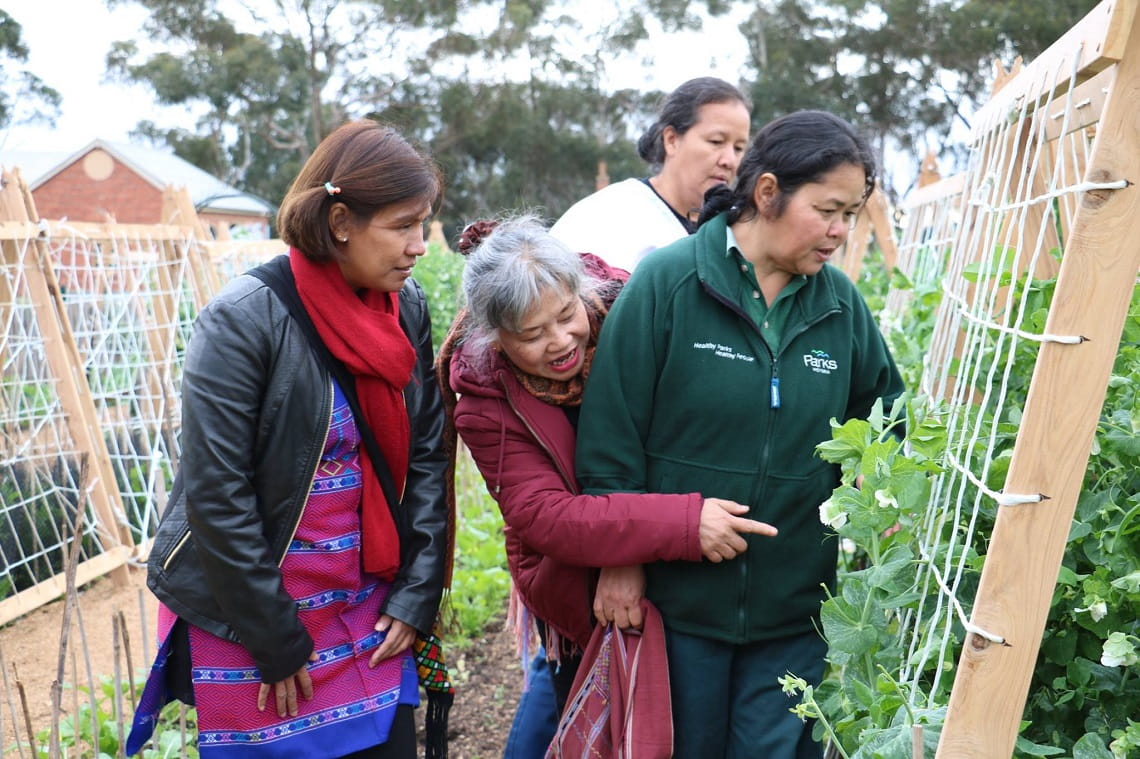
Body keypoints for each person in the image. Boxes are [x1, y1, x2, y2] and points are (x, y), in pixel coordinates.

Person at [575, 110, 906, 759]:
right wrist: (622, 557)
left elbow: (885, 413)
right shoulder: (669, 282)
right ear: (767, 193)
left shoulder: (839, 305)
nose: (841, 231)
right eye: (829, 210)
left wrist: (882, 484)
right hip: (677, 606)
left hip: (795, 608)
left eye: (852, 214)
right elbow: (612, 428)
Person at [126, 120, 451, 759]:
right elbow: (217, 496)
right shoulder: (244, 321)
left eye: (425, 223)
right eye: (402, 225)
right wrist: (274, 636)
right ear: (339, 223)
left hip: (367, 605)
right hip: (254, 614)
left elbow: (427, 454)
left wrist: (417, 592)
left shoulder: (403, 308)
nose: (419, 246)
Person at [435, 216, 776, 732]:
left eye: (566, 314)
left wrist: (631, 555)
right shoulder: (486, 403)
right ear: (496, 338)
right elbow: (548, 517)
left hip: (674, 571)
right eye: (532, 334)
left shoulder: (635, 312)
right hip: (575, 587)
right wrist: (682, 525)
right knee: (594, 721)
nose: (559, 341)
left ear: (582, 290)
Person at [549, 76, 750, 273]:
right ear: (671, 140)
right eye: (716, 141)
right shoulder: (605, 216)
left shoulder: (741, 232)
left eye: (739, 148)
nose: (730, 161)